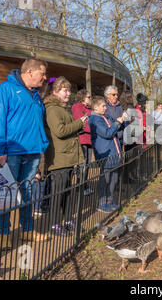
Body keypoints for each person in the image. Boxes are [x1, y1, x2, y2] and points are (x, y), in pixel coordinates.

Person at [0, 57, 50, 249]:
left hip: (33, 152)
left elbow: (39, 123)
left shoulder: (37, 96)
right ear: (30, 72)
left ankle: (27, 230)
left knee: (28, 192)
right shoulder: (4, 90)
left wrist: (42, 145)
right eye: (42, 73)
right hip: (11, 153)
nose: (45, 78)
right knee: (6, 193)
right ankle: (4, 233)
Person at [43, 76, 86, 236]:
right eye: (65, 90)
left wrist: (77, 127)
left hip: (67, 155)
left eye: (69, 90)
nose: (68, 93)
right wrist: (79, 123)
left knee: (68, 191)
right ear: (55, 92)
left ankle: (68, 220)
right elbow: (59, 131)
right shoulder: (52, 109)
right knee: (58, 192)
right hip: (59, 157)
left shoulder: (62, 108)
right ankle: (55, 224)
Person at [89, 96, 128, 213]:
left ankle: (109, 201)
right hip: (105, 153)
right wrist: (117, 123)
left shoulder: (106, 116)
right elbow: (107, 133)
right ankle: (101, 203)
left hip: (114, 151)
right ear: (95, 107)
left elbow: (115, 123)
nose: (106, 108)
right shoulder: (95, 119)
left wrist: (120, 119)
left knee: (114, 179)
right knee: (105, 179)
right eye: (103, 106)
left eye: (106, 106)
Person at [72, 89, 93, 195]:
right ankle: (80, 187)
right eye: (88, 97)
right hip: (82, 140)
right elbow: (81, 123)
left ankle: (84, 185)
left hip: (89, 140)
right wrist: (93, 128)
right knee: (82, 164)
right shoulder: (77, 107)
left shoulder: (89, 109)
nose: (90, 99)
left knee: (87, 164)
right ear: (83, 97)